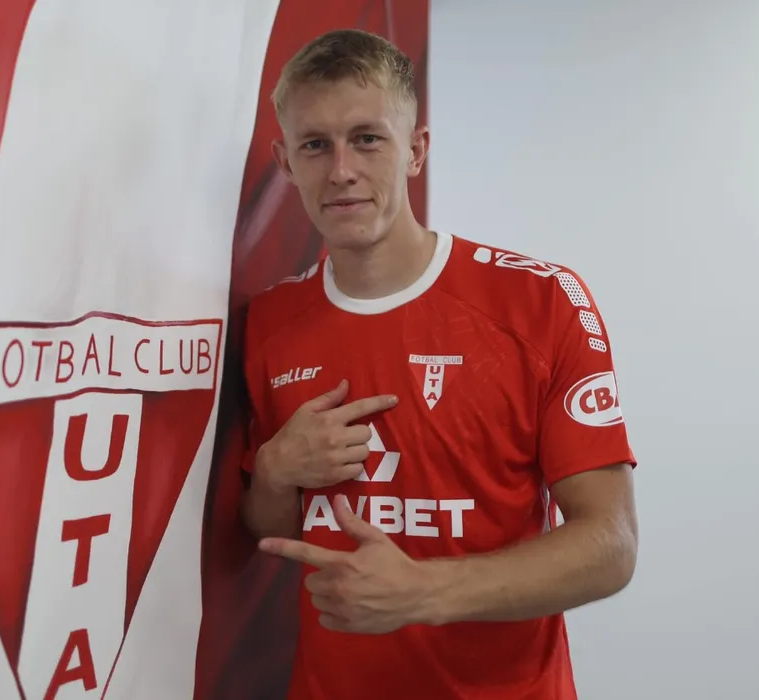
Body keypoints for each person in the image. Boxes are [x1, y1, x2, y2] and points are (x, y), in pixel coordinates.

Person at [239, 28, 639, 700]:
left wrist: (424, 591)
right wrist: (276, 473)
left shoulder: (540, 302)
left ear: (416, 150)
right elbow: (270, 529)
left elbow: (611, 545)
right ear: (285, 161)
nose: (341, 170)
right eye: (315, 145)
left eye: (368, 138)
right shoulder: (269, 322)